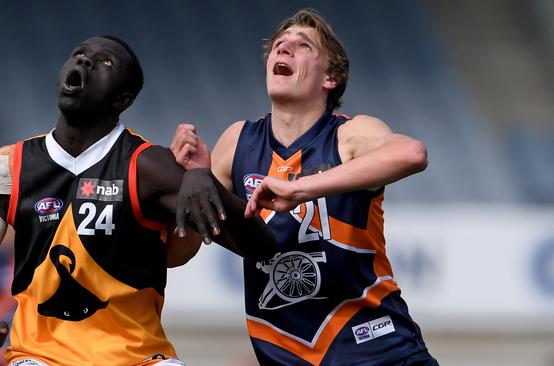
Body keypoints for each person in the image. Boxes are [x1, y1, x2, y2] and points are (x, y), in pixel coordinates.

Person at [0, 35, 275, 366]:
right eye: (78, 53)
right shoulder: (7, 168)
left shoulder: (150, 167)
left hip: (139, 358)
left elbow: (260, 245)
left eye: (105, 62)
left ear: (123, 99)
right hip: (39, 358)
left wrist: (205, 178)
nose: (84, 60)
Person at [170, 9, 438, 366]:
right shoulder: (237, 141)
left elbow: (412, 153)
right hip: (286, 355)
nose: (284, 49)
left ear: (332, 76)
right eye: (279, 45)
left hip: (376, 348)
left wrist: (301, 189)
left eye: (302, 46)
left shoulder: (349, 134)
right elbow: (176, 254)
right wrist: (195, 181)